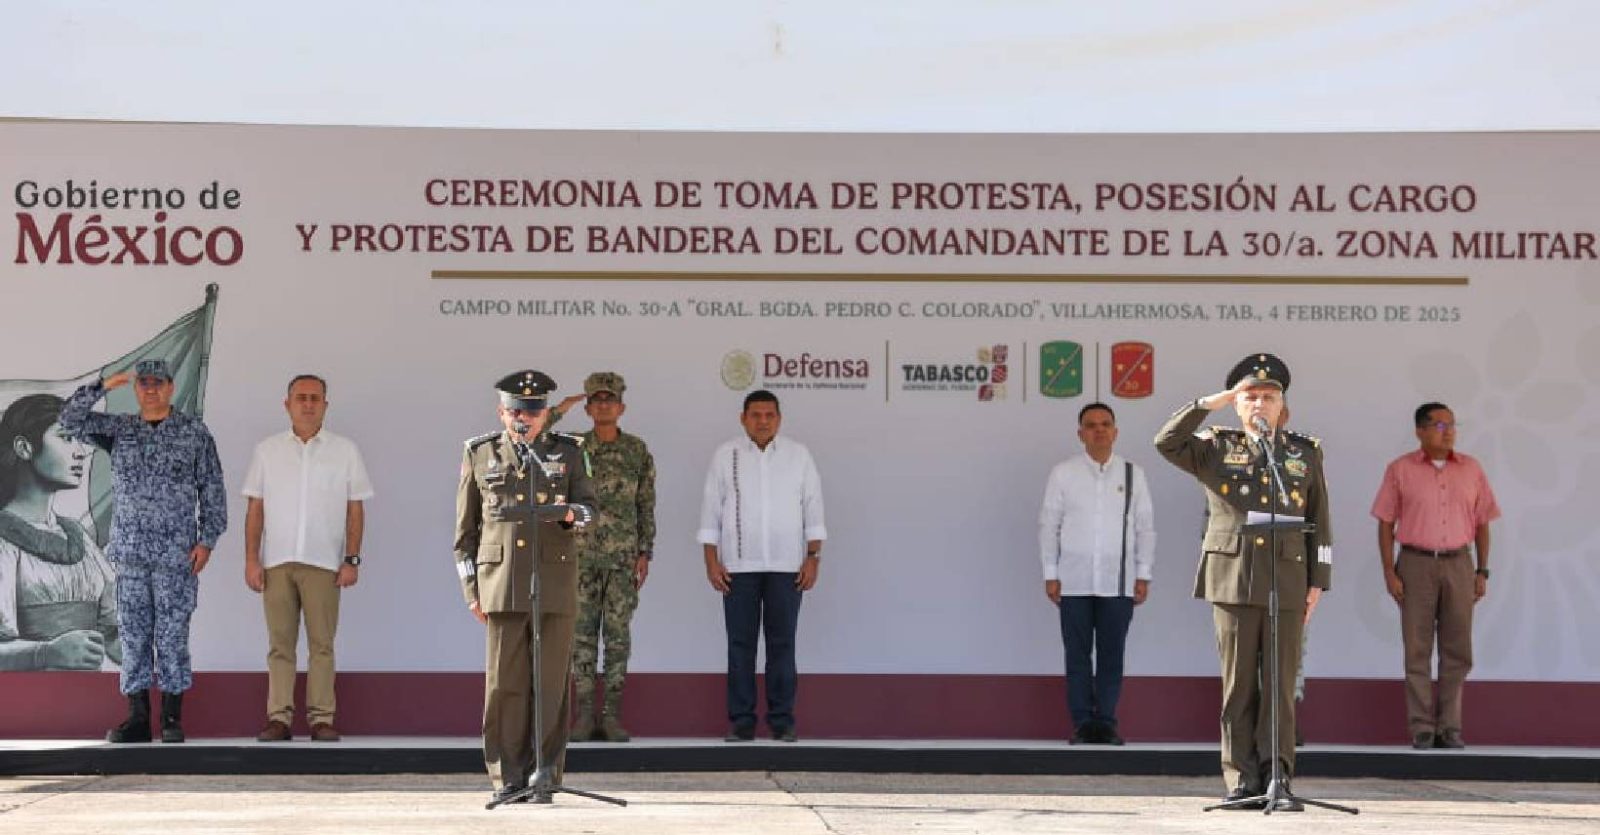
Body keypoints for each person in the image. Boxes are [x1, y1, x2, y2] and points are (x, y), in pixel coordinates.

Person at [1154, 353, 1330, 811]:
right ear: (1237, 404)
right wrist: (1207, 403)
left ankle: (1278, 778)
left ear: (1281, 405)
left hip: (1288, 578)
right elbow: (1166, 442)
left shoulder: (1303, 452)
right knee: (1238, 687)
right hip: (1232, 576)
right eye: (1250, 396)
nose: (1259, 404)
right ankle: (1241, 779)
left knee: (1280, 685)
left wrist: (1319, 579)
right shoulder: (1214, 446)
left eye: (1268, 397)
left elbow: (1319, 518)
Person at [59, 359, 227, 744]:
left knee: (172, 635)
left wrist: (207, 539)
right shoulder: (119, 430)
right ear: (136, 389)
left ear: (171, 387)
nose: (150, 388)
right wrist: (101, 385)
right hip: (131, 554)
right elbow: (68, 421)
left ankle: (171, 719)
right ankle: (137, 718)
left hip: (176, 555)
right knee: (133, 636)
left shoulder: (193, 433)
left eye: (159, 382)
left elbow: (212, 489)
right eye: (144, 382)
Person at [455, 370, 596, 805]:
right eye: (516, 410)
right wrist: (472, 590)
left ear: (545, 415)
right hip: (500, 583)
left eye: (533, 411)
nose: (524, 418)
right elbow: (466, 532)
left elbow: (591, 511)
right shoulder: (479, 453)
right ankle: (508, 778)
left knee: (551, 683)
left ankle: (546, 777)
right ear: (502, 412)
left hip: (552, 581)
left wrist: (573, 513)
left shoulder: (569, 452)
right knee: (505, 686)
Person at [242, 374, 374, 743]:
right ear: (287, 404)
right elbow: (255, 508)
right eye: (300, 397)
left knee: (322, 645)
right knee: (279, 645)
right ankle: (278, 719)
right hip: (277, 561)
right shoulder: (267, 451)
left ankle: (321, 719)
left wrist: (352, 559)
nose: (308, 404)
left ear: (326, 405)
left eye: (315, 398)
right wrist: (252, 559)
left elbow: (355, 509)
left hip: (324, 562)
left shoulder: (344, 450)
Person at [697, 390, 825, 743]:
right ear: (743, 418)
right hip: (738, 566)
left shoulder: (798, 456)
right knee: (740, 645)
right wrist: (711, 560)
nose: (763, 420)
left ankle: (782, 721)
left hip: (788, 566)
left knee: (782, 644)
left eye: (769, 415)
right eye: (756, 414)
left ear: (779, 419)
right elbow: (711, 509)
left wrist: (813, 557)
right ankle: (741, 721)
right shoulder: (726, 455)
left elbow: (813, 507)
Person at [1370, 402, 1500, 750]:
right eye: (1440, 425)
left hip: (1459, 563)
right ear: (1420, 431)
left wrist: (1482, 570)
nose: (1449, 431)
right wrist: (1389, 571)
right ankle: (1422, 728)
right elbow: (1385, 522)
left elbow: (1483, 522)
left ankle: (1451, 728)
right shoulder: (1400, 470)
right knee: (1417, 648)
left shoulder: (1471, 469)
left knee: (1458, 649)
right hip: (1415, 563)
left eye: (1452, 424)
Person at [1038, 402, 1156, 745]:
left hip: (1118, 580)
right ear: (1080, 434)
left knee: (1111, 655)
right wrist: (1050, 572)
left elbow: (1146, 527)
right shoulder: (1064, 473)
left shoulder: (1133, 473)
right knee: (1076, 656)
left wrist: (1143, 573)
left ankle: (1106, 722)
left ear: (1115, 432)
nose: (1099, 430)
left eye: (1105, 424)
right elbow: (1049, 525)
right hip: (1072, 579)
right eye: (1091, 425)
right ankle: (1081, 724)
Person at [561, 372, 655, 743]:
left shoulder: (636, 450)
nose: (603, 405)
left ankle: (611, 715)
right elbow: (534, 441)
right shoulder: (571, 448)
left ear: (621, 407)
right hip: (580, 559)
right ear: (586, 408)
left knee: (617, 638)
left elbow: (645, 504)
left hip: (621, 561)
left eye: (609, 399)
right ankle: (584, 715)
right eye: (596, 400)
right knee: (580, 637)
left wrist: (645, 551)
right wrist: (560, 409)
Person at [0, 394, 120, 671]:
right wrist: (46, 653)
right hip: (24, 700)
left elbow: (112, 631)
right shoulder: (4, 540)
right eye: (66, 438)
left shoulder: (77, 535)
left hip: (86, 696)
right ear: (24, 447)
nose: (80, 451)